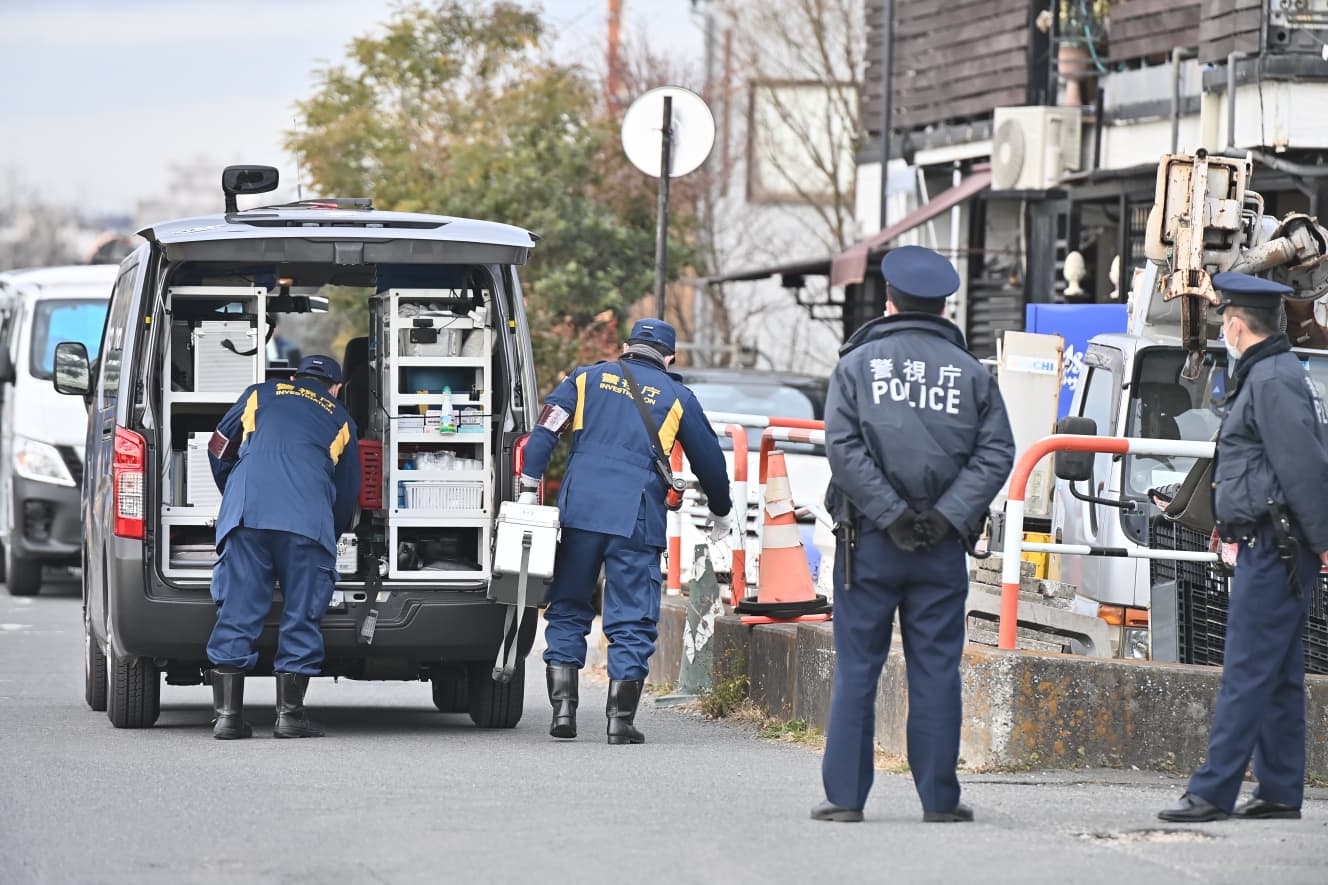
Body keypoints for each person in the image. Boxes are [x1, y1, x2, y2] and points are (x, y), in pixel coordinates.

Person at [812, 245, 1015, 823]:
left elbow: (843, 448)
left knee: (858, 668)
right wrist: (947, 515)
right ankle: (939, 800)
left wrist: (891, 514)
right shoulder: (972, 373)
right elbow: (997, 450)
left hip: (870, 543)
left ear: (889, 301)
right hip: (941, 547)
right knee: (935, 669)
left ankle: (846, 799)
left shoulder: (857, 365)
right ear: (946, 305)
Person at [1158, 272, 1328, 822]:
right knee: (1276, 673)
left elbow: (1304, 469)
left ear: (1235, 325)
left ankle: (1211, 791)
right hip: (1275, 546)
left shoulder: (1272, 380)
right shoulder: (1270, 374)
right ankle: (1279, 789)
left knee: (1246, 669)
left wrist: (1324, 543)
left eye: (1224, 325)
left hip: (1276, 549)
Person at [519, 319, 733, 744]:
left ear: (626, 347)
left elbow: (545, 429)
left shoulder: (584, 380)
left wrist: (529, 485)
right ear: (670, 357)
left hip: (580, 512)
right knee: (632, 613)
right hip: (636, 516)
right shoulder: (677, 397)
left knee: (567, 605)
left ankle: (563, 713)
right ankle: (620, 720)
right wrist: (721, 510)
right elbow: (709, 459)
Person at [205, 354, 361, 740]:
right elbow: (347, 491)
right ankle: (290, 717)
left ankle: (227, 718)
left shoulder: (259, 394)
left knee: (237, 609)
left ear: (293, 376)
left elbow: (219, 446)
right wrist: (332, 529)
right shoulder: (341, 418)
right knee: (301, 613)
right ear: (337, 387)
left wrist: (236, 489)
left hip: (247, 515)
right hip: (306, 523)